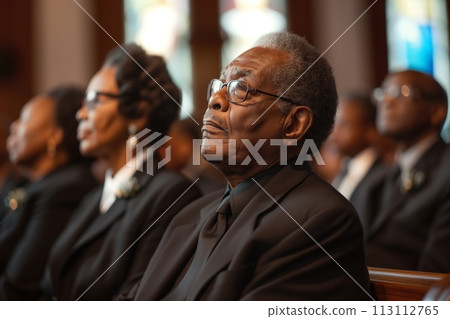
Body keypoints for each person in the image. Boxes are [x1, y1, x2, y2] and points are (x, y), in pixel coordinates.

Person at [121, 32, 371, 301]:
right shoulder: (191, 215)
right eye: (219, 86)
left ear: (294, 124)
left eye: (240, 89)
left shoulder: (320, 221)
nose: (215, 100)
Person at [41, 44, 201, 300]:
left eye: (94, 101)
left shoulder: (170, 192)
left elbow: (137, 297)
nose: (80, 113)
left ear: (136, 114)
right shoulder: (93, 198)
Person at [0, 86, 98, 300]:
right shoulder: (32, 185)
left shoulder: (65, 189)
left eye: (24, 119)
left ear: (54, 136)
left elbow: (18, 286)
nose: (14, 126)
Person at [364, 70, 450, 272]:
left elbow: (438, 271)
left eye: (400, 93)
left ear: (436, 111)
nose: (387, 102)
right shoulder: (379, 175)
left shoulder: (446, 169)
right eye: (383, 93)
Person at [329, 92, 392, 231]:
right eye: (334, 124)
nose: (334, 132)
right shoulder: (345, 169)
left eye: (343, 125)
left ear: (369, 130)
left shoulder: (383, 176)